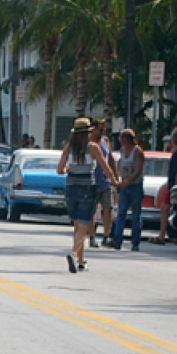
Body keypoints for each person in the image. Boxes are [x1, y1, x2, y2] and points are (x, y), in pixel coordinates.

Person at [57, 117, 119, 272]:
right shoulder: (93, 147)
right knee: (84, 225)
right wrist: (114, 181)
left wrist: (68, 169)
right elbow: (106, 168)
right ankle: (73, 253)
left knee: (78, 225)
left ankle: (81, 260)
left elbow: (59, 170)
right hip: (87, 188)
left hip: (71, 187)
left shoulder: (68, 147)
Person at [150, 130, 177, 245]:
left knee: (165, 209)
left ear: (173, 141)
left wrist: (175, 189)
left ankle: (162, 236)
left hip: (176, 186)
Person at [109, 128, 145, 251]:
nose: (119, 140)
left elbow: (138, 169)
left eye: (121, 137)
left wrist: (128, 180)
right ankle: (117, 239)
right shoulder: (123, 151)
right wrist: (118, 180)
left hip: (135, 186)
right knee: (121, 212)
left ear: (126, 138)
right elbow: (120, 166)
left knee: (136, 214)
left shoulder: (137, 151)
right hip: (124, 186)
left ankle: (135, 241)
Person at [88, 119, 113, 247]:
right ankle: (92, 237)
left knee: (108, 208)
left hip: (105, 181)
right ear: (93, 129)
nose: (102, 132)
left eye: (103, 129)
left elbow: (111, 159)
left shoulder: (105, 141)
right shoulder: (88, 143)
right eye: (100, 129)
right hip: (92, 180)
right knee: (91, 210)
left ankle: (106, 236)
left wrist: (114, 177)